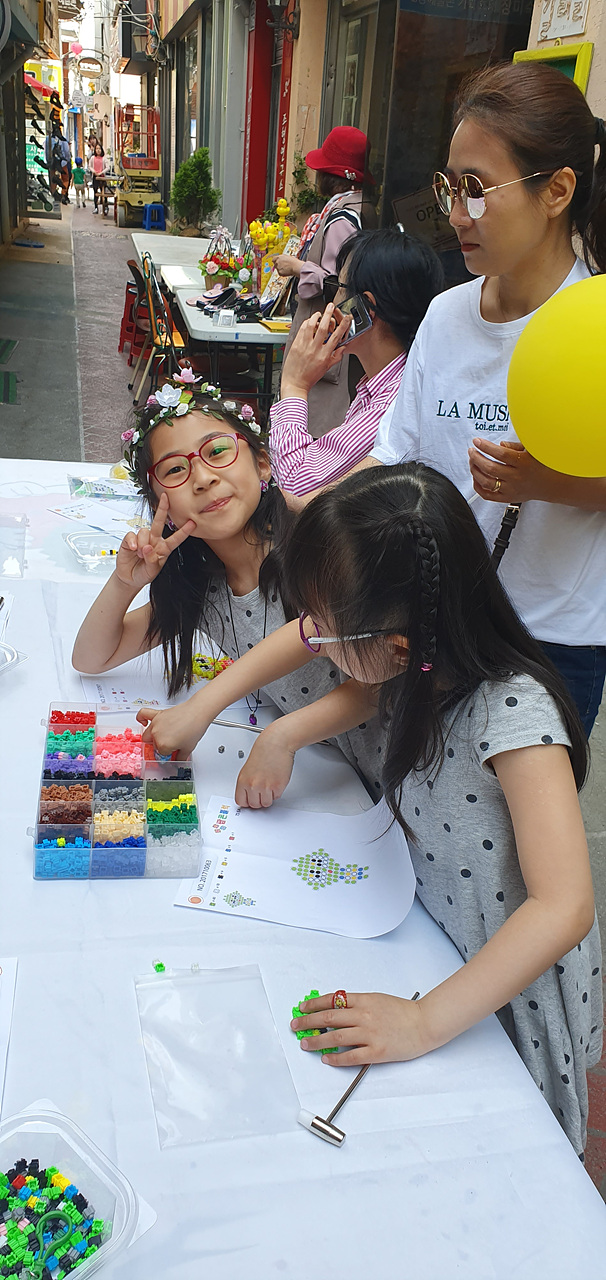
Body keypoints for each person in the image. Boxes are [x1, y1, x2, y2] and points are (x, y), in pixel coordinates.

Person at [230, 461, 601, 1157]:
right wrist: (284, 735)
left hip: (503, 986)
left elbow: (564, 906)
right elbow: (362, 691)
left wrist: (424, 1022)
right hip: (435, 944)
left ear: (398, 647)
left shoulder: (515, 715)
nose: (312, 640)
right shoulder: (420, 668)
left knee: (520, 1154)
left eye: (323, 632)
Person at [290, 62, 606, 735]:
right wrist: (314, 517)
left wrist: (545, 482)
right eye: (449, 187)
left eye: (477, 190)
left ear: (556, 191)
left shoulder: (595, 325)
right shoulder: (446, 314)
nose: (457, 215)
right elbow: (394, 457)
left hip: (549, 641)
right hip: (432, 620)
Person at [71, 376, 384, 795]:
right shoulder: (204, 592)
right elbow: (90, 658)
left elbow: (378, 680)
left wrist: (276, 733)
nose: (202, 478)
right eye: (175, 469)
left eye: (217, 451)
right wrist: (125, 582)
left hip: (406, 765)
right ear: (160, 504)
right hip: (344, 782)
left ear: (262, 464)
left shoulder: (320, 549)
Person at [270, 228, 443, 493]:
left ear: (366, 307)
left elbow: (295, 486)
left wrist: (294, 386)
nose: (332, 302)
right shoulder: (384, 383)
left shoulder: (391, 405)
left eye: (338, 288)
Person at [274, 126, 377, 439]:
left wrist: (297, 267)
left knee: (313, 425)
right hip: (347, 341)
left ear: (333, 175)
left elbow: (337, 284)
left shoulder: (343, 218)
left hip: (327, 340)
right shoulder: (365, 209)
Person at [89, 143, 109, 215]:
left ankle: (105, 207)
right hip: (95, 177)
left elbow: (107, 167)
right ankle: (96, 208)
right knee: (95, 192)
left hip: (102, 177)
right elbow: (90, 166)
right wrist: (94, 171)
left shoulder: (104, 158)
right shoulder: (92, 158)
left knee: (104, 192)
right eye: (97, 149)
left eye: (99, 149)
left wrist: (101, 172)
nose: (98, 150)